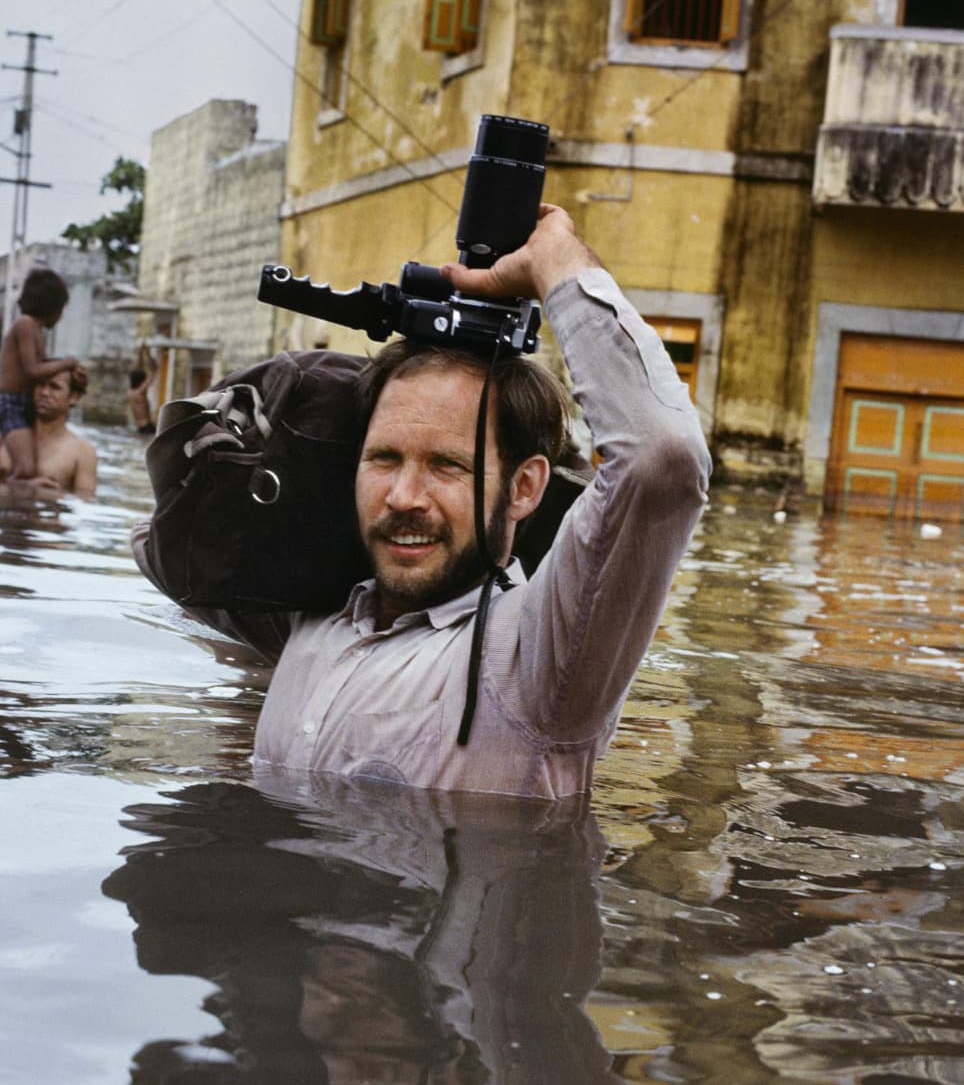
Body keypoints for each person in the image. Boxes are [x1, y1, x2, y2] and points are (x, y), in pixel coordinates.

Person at [133, 205, 711, 798]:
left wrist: (555, 260)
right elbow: (161, 546)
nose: (404, 497)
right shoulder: (306, 616)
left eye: (446, 466)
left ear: (525, 488)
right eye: (383, 458)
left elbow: (661, 460)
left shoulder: (541, 661)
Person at [0, 268, 86, 487]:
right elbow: (32, 370)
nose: (61, 316)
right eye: (61, 309)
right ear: (52, 306)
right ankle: (17, 488)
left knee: (35, 462)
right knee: (26, 469)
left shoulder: (37, 330)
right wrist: (68, 362)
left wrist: (73, 373)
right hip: (11, 403)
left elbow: (45, 367)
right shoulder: (25, 324)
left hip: (25, 402)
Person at [0, 365, 97, 495]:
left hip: (47, 512)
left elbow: (85, 500)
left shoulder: (82, 452)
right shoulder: (6, 436)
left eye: (54, 387)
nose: (44, 393)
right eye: (40, 385)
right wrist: (22, 486)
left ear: (73, 397)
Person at [127, 354, 157, 435]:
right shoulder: (141, 392)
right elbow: (153, 371)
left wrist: (141, 353)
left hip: (139, 427)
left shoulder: (129, 393)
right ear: (141, 381)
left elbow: (138, 370)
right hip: (147, 426)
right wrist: (149, 355)